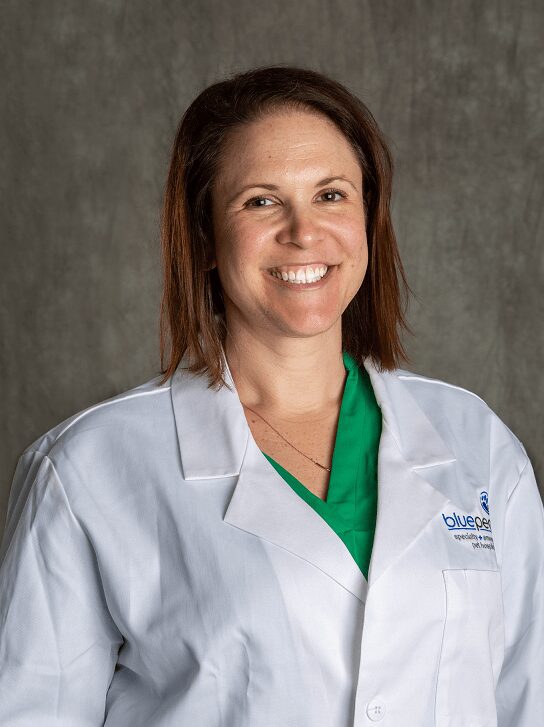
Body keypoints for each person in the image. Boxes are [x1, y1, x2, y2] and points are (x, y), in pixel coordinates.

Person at [0, 65, 542, 727]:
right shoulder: (87, 470)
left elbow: (527, 698)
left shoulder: (476, 442)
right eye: (261, 200)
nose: (304, 232)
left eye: (332, 195)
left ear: (368, 217)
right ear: (204, 236)